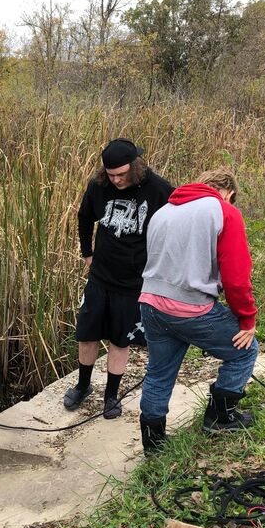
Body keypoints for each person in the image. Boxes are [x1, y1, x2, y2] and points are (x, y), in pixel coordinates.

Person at [138, 168, 259, 456]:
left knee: (158, 373)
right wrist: (247, 319)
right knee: (246, 350)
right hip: (190, 308)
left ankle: (153, 446)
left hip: (151, 303)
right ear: (228, 191)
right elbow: (236, 277)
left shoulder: (164, 211)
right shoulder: (224, 211)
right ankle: (219, 418)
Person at [63, 138, 173, 418]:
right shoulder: (98, 186)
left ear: (135, 167)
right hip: (100, 276)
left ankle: (111, 396)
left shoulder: (158, 189)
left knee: (119, 340)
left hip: (134, 281)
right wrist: (87, 252)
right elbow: (85, 217)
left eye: (122, 175)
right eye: (111, 175)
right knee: (87, 334)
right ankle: (83, 385)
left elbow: (176, 225)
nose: (116, 180)